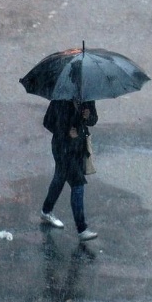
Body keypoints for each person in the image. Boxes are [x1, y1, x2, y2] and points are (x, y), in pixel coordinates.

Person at [40, 98, 98, 241]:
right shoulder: (61, 98)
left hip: (79, 148)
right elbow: (48, 122)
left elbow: (93, 120)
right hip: (62, 148)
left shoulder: (88, 97)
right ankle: (82, 229)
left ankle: (46, 211)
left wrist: (87, 116)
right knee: (78, 184)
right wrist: (66, 131)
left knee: (59, 178)